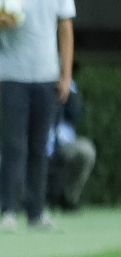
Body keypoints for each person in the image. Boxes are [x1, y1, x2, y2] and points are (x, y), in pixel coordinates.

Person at [0, 0, 75, 231]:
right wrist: (0, 22)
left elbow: (65, 27)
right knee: (14, 145)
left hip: (46, 74)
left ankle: (36, 212)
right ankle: (9, 210)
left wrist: (65, 74)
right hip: (13, 75)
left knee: (40, 146)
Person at [46, 76, 95, 211]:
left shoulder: (67, 83)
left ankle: (69, 199)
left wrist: (66, 91)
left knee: (86, 150)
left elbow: (75, 114)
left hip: (64, 144)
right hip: (36, 144)